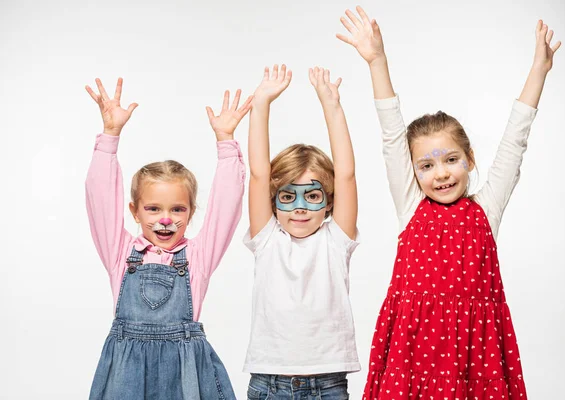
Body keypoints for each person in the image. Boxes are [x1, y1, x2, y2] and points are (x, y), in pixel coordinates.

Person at [337, 7, 560, 399]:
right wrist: (377, 61)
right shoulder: (410, 205)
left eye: (451, 160)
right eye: (426, 165)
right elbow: (392, 135)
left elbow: (515, 141)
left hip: (475, 355)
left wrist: (538, 71)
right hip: (413, 351)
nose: (440, 174)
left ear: (469, 160)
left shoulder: (485, 210)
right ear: (413, 170)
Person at [85, 77, 250, 399]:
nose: (165, 219)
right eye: (153, 209)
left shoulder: (197, 257)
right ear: (134, 211)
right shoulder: (121, 253)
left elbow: (226, 207)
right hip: (126, 374)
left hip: (185, 372)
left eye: (177, 209)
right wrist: (110, 136)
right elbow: (99, 198)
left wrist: (226, 143)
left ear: (190, 213)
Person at [243, 65, 359, 400]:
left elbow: (347, 175)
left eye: (312, 196)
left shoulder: (336, 240)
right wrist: (261, 102)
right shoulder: (267, 238)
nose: (299, 207)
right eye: (288, 195)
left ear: (329, 200)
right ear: (274, 200)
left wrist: (331, 106)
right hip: (270, 381)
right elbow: (258, 174)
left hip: (328, 382)